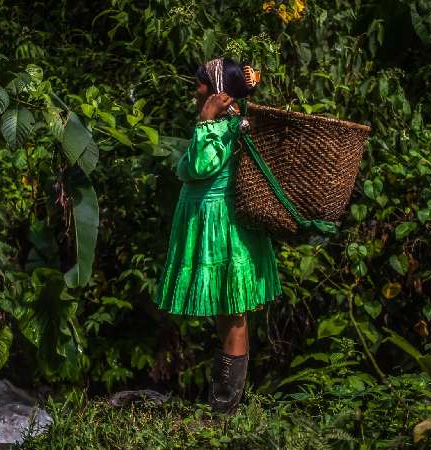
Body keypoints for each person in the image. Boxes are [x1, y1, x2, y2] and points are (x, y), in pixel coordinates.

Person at [154, 57, 281, 415]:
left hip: (223, 228)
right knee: (228, 317)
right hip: (216, 225)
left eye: (201, 84)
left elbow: (198, 166)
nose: (195, 89)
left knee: (233, 317)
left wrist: (205, 120)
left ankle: (224, 408)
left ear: (218, 93)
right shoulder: (229, 125)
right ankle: (223, 405)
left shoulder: (227, 126)